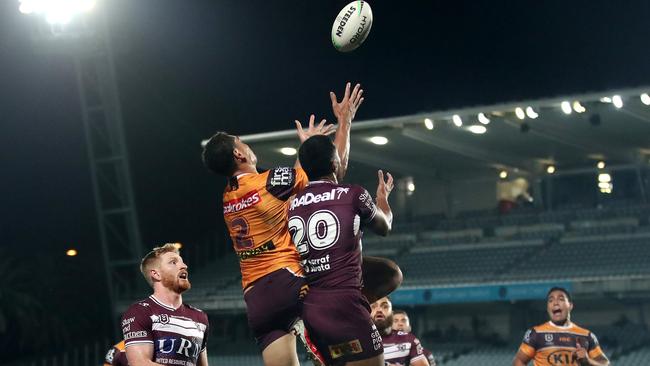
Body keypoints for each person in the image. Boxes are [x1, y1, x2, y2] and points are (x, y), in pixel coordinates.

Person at [201, 83, 363, 366]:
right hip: (288, 279)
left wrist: (302, 152)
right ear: (239, 155)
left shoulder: (228, 196)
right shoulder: (268, 182)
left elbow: (275, 191)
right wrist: (342, 124)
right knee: (363, 280)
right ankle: (321, 342)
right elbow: (331, 171)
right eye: (242, 143)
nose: (247, 147)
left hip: (256, 300)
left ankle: (312, 334)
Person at [288, 134, 396, 365]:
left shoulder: (291, 204)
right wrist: (382, 199)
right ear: (335, 163)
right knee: (391, 274)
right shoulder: (353, 194)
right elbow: (385, 226)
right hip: (346, 305)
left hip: (313, 308)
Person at [121, 243, 210, 366]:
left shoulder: (200, 317)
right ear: (156, 274)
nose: (184, 266)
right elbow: (139, 363)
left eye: (182, 262)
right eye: (173, 262)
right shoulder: (140, 312)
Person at [512, 287, 610, 366]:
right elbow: (519, 361)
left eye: (561, 299)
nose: (555, 303)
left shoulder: (586, 335)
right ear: (547, 308)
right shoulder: (536, 333)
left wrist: (588, 362)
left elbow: (605, 363)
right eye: (550, 300)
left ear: (570, 305)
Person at [371, 297, 429, 366]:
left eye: (385, 306)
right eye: (373, 306)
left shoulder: (409, 340)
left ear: (392, 314)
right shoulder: (359, 340)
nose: (379, 310)